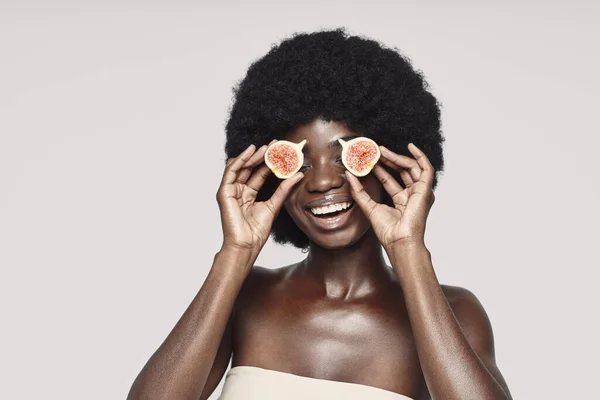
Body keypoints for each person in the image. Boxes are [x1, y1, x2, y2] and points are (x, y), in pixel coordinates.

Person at [127, 28, 512, 400]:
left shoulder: (457, 313)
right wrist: (235, 253)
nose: (323, 181)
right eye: (299, 161)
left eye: (348, 157)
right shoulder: (246, 297)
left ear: (389, 163)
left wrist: (408, 249)